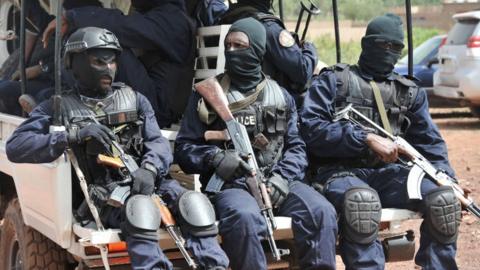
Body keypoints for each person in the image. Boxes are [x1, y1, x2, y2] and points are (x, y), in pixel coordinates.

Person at [6, 27, 228, 270]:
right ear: (74, 62)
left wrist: (150, 169)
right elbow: (17, 146)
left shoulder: (134, 99)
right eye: (98, 60)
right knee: (141, 211)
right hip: (108, 193)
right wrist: (72, 136)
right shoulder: (58, 106)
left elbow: (158, 143)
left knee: (195, 206)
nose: (108, 68)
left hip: (149, 180)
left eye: (112, 60)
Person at [299, 14, 462, 270]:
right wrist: (364, 138)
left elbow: (430, 144)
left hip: (388, 175)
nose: (389, 52)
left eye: (395, 47)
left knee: (444, 201)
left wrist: (447, 178)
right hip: (339, 173)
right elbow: (311, 129)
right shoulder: (335, 81)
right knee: (362, 204)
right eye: (382, 45)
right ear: (366, 44)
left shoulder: (408, 91)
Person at [175, 18, 337, 270]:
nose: (230, 52)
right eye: (227, 46)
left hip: (278, 181)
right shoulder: (207, 94)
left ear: (258, 49)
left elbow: (296, 147)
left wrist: (281, 178)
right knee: (245, 218)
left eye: (239, 45)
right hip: (233, 186)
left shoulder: (280, 95)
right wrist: (215, 159)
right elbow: (185, 148)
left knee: (321, 212)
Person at [42, 0, 195, 128]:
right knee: (86, 45)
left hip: (155, 107)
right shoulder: (159, 15)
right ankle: (65, 103)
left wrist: (73, 17)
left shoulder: (175, 21)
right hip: (139, 95)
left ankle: (74, 108)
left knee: (101, 45)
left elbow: (124, 27)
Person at [219, 0, 318, 105]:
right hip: (268, 97)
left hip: (227, 88)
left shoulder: (225, 18)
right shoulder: (267, 25)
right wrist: (309, 47)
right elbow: (302, 71)